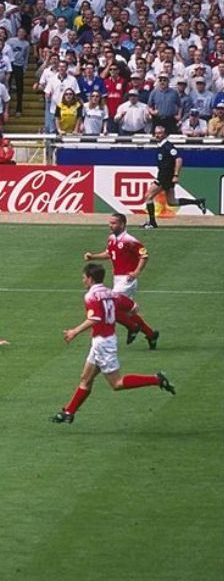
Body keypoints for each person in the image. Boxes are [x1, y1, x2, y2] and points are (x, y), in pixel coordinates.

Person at [51, 264, 175, 424]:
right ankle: (69, 412)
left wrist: (74, 331)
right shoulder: (111, 293)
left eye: (84, 278)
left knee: (116, 383)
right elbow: (134, 307)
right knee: (85, 379)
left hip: (103, 343)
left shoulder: (91, 296)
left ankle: (156, 379)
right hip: (103, 341)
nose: (83, 281)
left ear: (90, 278)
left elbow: (94, 318)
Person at [82, 213, 161, 349]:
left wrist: (136, 272)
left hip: (127, 280)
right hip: (117, 279)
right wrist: (93, 256)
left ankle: (132, 327)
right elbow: (109, 253)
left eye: (114, 223)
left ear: (123, 224)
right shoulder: (111, 238)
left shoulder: (130, 240)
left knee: (109, 306)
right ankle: (150, 334)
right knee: (126, 312)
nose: (111, 225)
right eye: (110, 222)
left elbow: (144, 255)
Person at [139, 126, 208, 229]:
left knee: (148, 196)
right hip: (164, 176)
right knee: (172, 202)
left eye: (160, 133)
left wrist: (176, 175)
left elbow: (179, 159)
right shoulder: (161, 146)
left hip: (165, 177)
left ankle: (152, 223)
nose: (157, 135)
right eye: (156, 133)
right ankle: (198, 202)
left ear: (165, 134)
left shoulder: (168, 146)